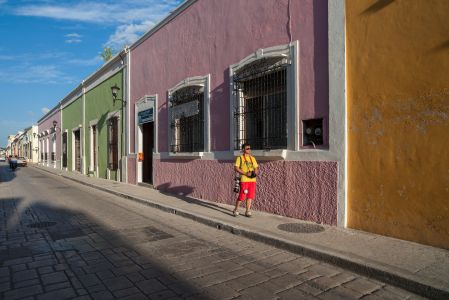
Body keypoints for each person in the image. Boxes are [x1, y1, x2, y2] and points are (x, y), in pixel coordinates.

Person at [233, 143, 259, 217]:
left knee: (250, 196)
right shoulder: (240, 158)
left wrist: (255, 173)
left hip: (252, 180)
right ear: (243, 149)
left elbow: (256, 168)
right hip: (244, 179)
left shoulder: (252, 158)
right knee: (242, 196)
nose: (249, 150)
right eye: (247, 148)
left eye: (250, 148)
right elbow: (236, 167)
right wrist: (245, 173)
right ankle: (236, 209)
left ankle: (247, 211)